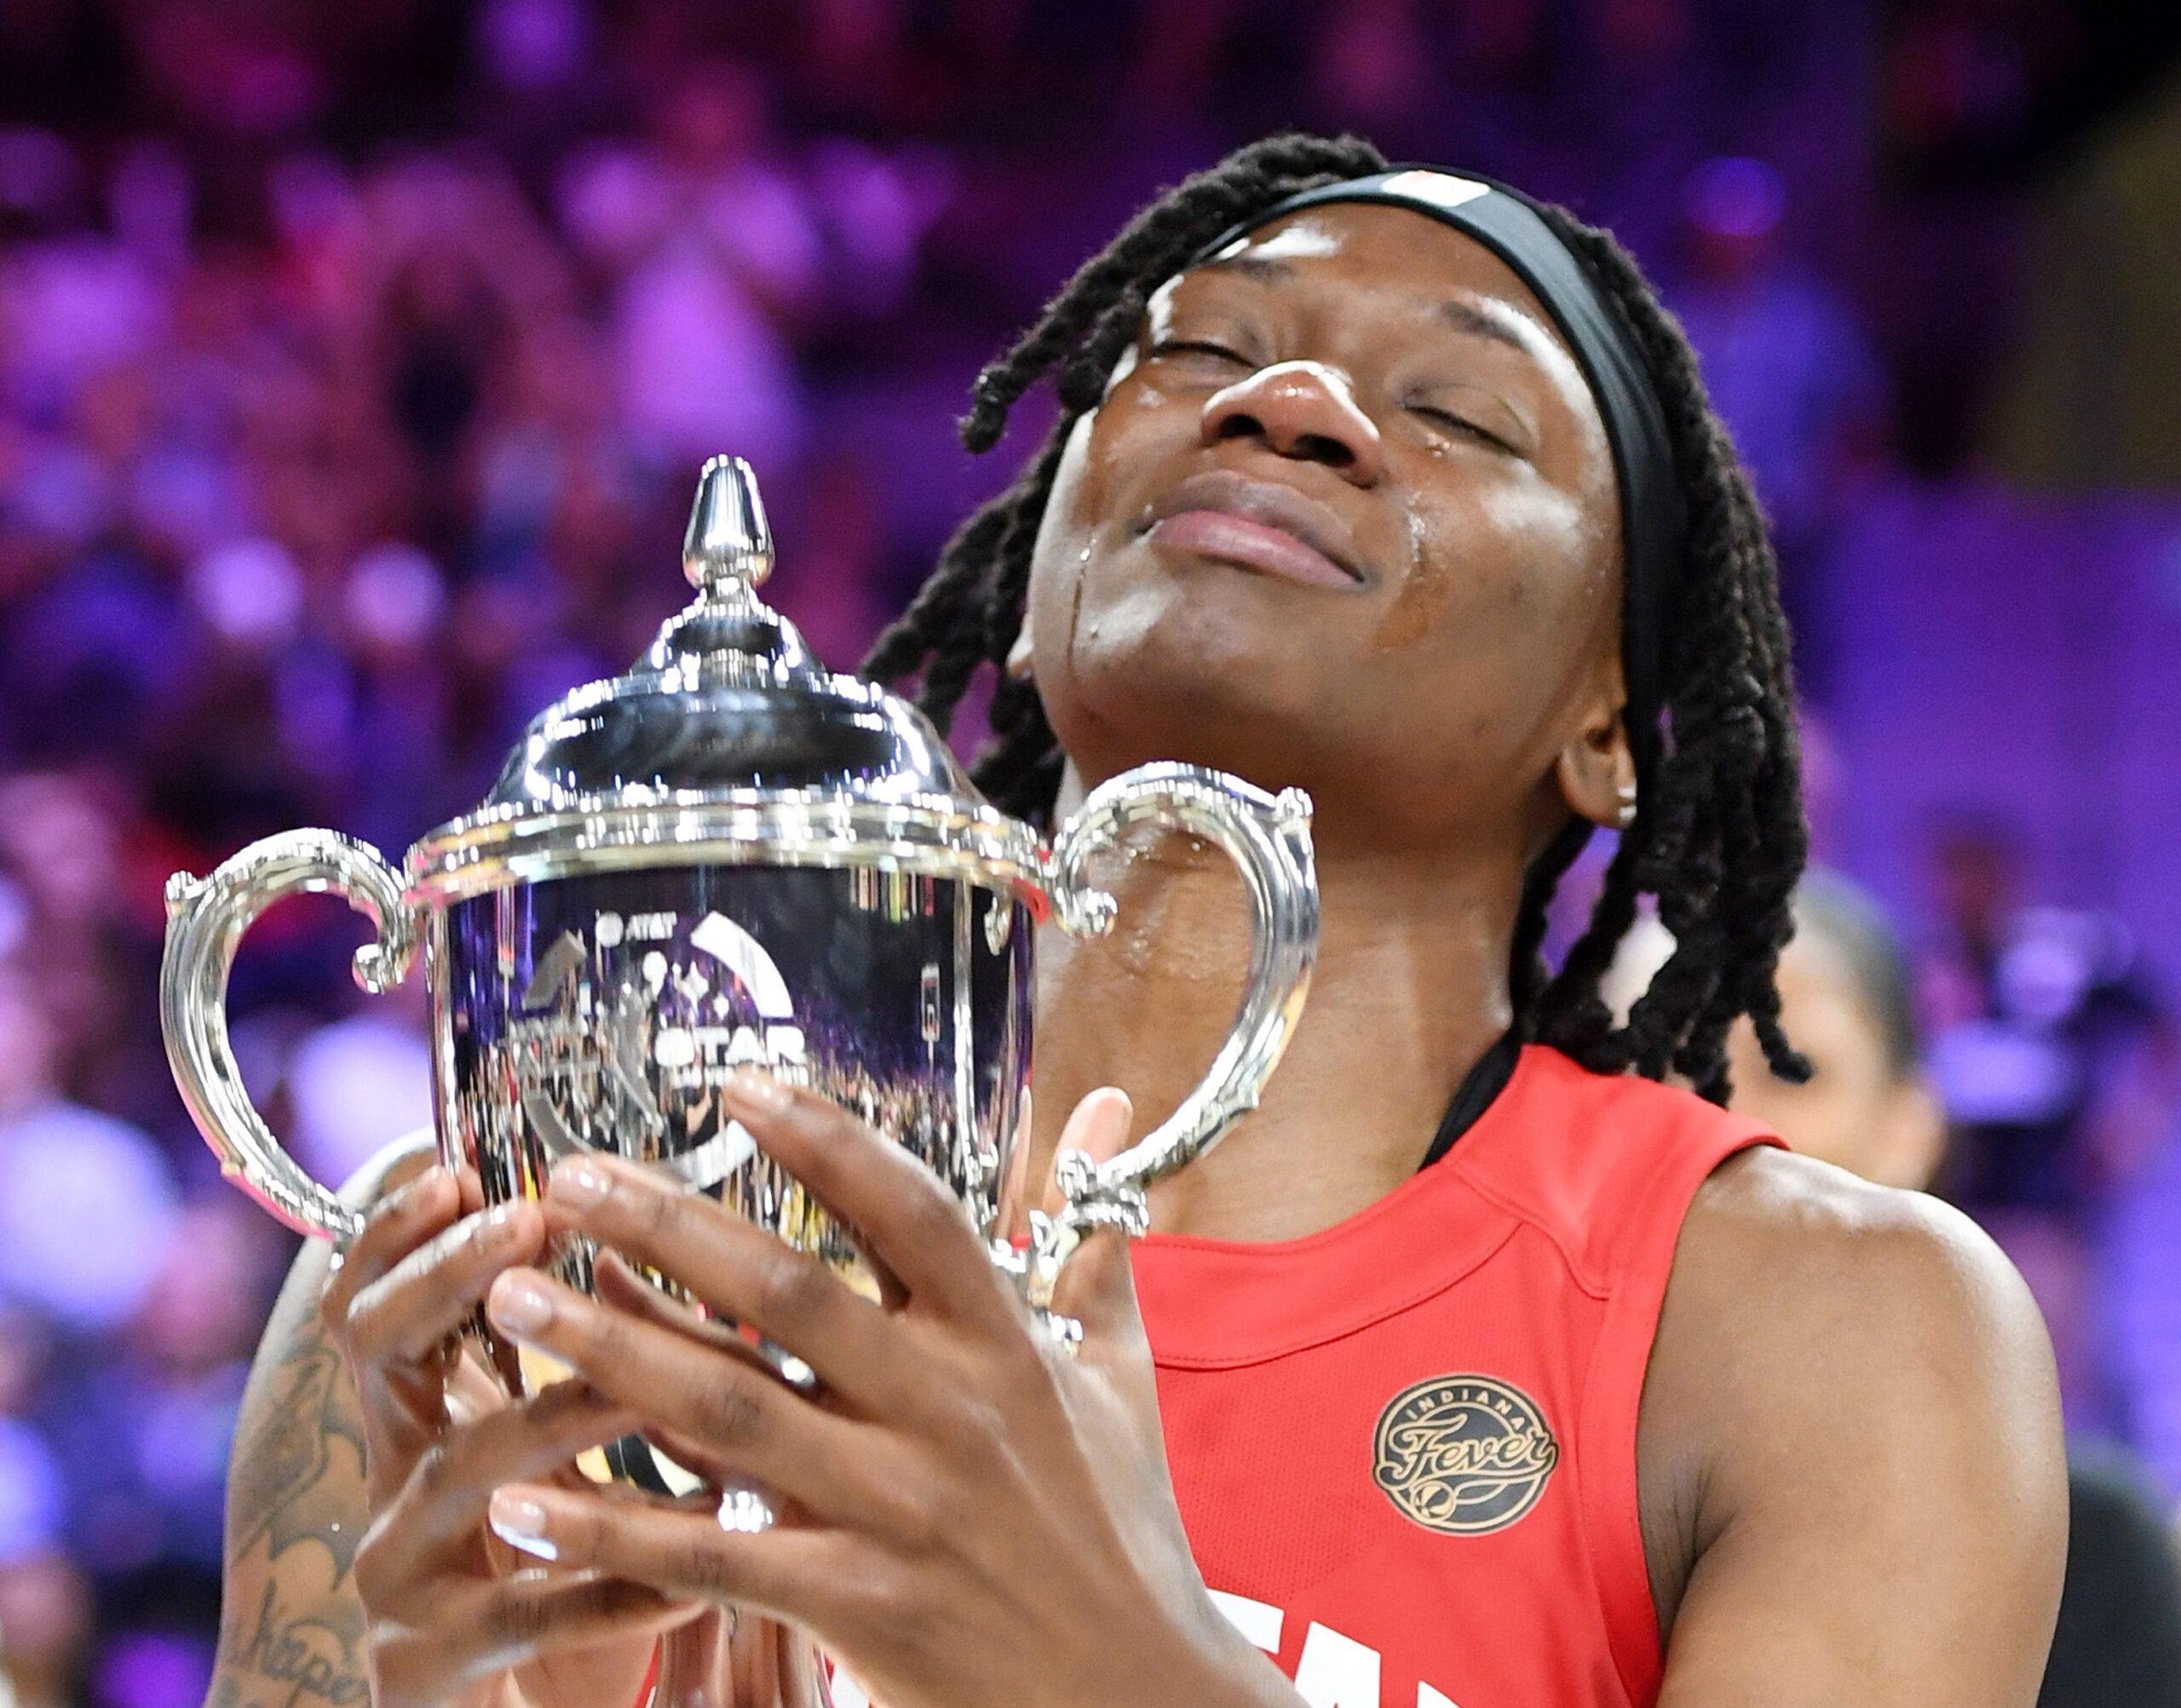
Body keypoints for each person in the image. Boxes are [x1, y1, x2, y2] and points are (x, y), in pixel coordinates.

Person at [204, 133, 2065, 1708]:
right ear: (1030, 597)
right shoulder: (499, 1255)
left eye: (1455, 410)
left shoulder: (1824, 1334)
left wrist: (1111, 1663)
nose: (1286, 403)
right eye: (1194, 354)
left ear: (1612, 727)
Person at [1716, 872, 2181, 1708]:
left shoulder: (2089, 1555)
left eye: (1790, 1068)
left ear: (1908, 1124)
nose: (1713, 1118)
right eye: (1650, 1067)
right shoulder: (1492, 1498)